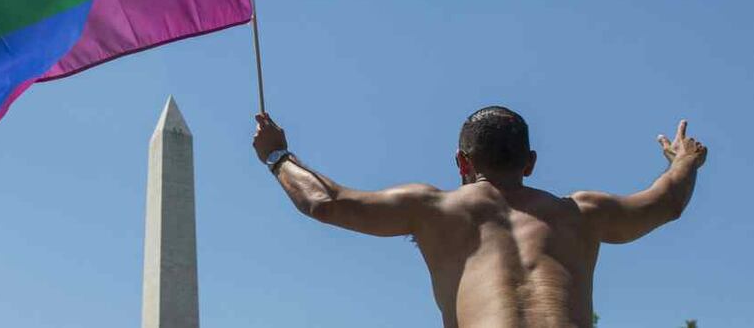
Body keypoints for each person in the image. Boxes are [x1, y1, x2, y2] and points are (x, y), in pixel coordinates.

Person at [252, 106, 708, 328]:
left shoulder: (434, 208)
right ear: (530, 163)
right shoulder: (583, 212)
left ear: (462, 162)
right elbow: (666, 202)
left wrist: (277, 156)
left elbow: (324, 202)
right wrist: (684, 161)